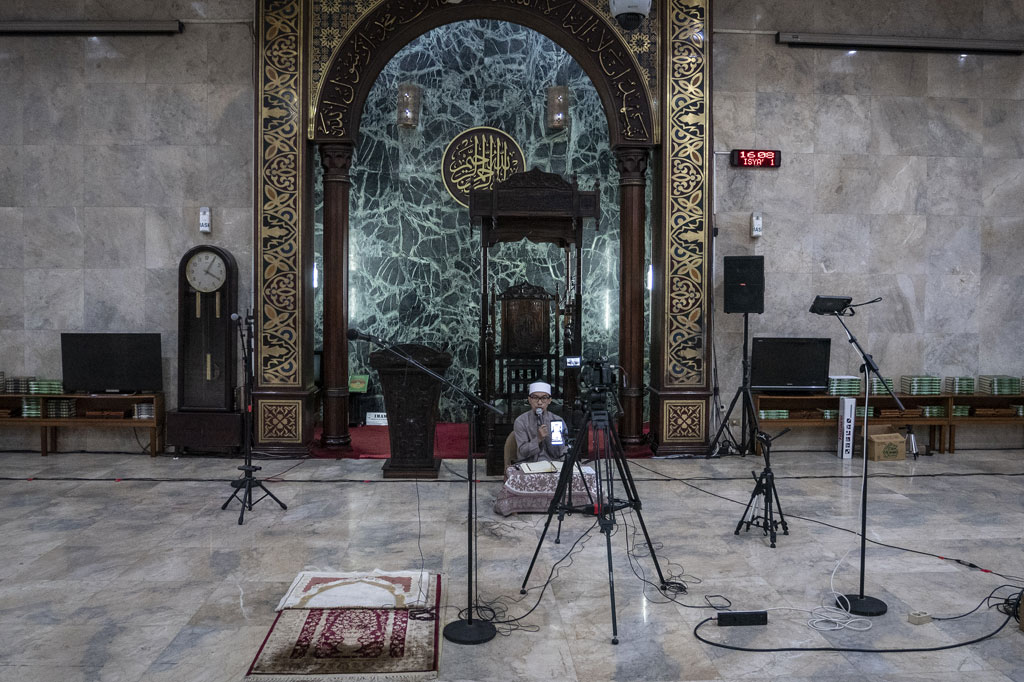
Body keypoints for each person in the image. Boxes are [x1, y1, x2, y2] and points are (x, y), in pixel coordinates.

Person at [512, 381, 565, 463]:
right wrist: (538, 439)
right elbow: (523, 452)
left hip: (553, 464)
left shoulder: (557, 421)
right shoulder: (521, 421)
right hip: (529, 464)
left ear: (549, 400)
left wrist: (549, 437)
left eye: (544, 398)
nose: (539, 402)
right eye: (535, 398)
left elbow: (560, 452)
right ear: (529, 400)